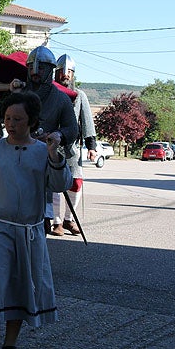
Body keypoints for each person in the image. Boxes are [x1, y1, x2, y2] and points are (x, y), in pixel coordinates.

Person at [0, 91, 72, 349]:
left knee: (22, 286)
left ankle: (10, 343)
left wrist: (53, 153)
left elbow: (60, 184)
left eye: (18, 119)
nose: (11, 124)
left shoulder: (42, 151)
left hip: (29, 231)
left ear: (32, 121)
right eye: (8, 118)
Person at [10, 46, 78, 229]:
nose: (34, 71)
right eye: (31, 67)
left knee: (41, 222)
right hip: (16, 158)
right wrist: (12, 97)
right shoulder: (19, 95)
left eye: (40, 67)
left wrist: (59, 135)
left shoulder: (61, 99)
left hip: (42, 160)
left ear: (50, 70)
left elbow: (72, 128)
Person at [50, 54, 97, 236]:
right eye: (62, 71)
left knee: (76, 183)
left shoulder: (79, 96)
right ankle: (56, 222)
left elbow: (86, 120)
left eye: (69, 71)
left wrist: (91, 146)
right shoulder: (50, 94)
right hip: (51, 145)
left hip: (71, 148)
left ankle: (69, 219)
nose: (65, 75)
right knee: (53, 184)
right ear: (56, 73)